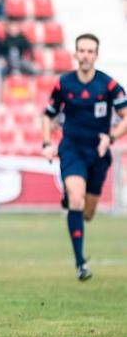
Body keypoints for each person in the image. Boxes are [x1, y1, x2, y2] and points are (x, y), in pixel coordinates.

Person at [42, 34, 127, 281]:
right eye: (82, 50)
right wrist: (47, 143)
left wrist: (110, 138)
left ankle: (72, 196)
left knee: (87, 213)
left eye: (91, 51)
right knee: (77, 201)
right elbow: (47, 116)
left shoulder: (108, 85)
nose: (86, 55)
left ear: (96, 55)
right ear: (76, 54)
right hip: (72, 149)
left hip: (98, 153)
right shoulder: (64, 84)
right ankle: (81, 264)